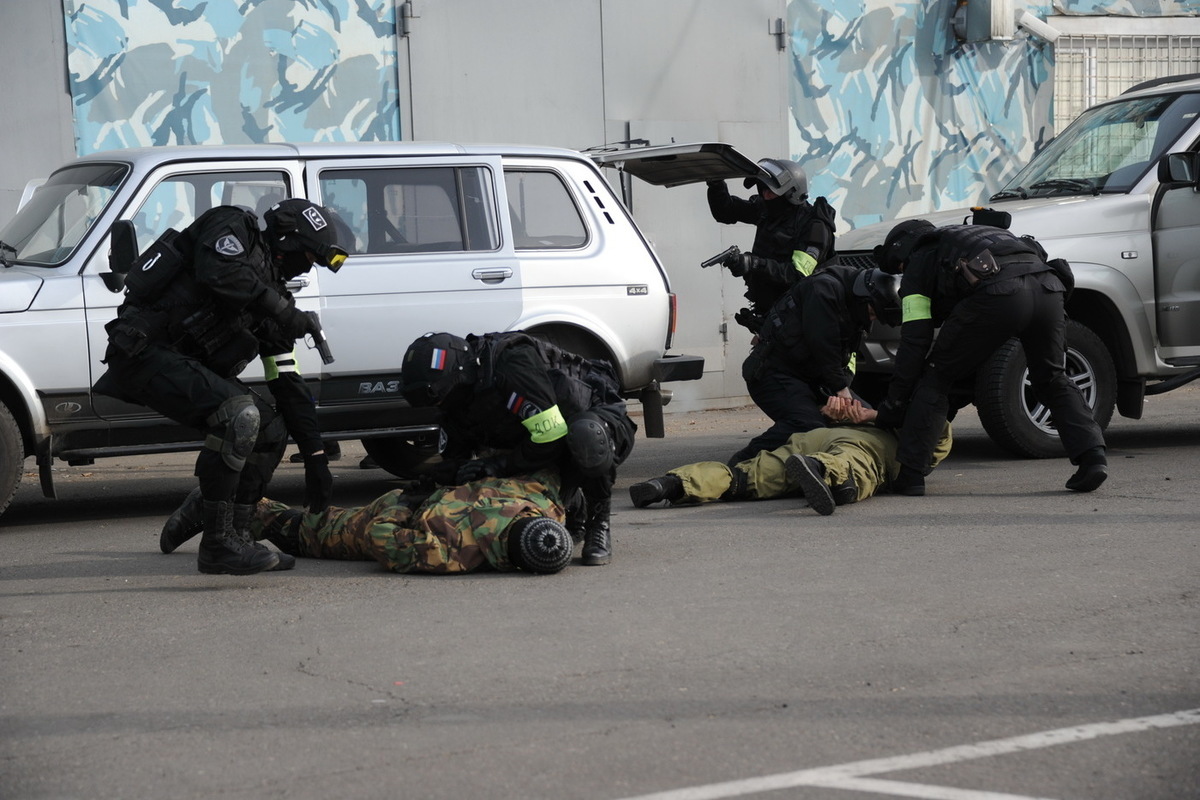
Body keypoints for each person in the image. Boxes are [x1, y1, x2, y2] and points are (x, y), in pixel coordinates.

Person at [93, 199, 348, 575]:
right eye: (308, 256)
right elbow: (220, 274)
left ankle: (236, 534)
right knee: (238, 414)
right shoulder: (232, 226)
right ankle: (217, 546)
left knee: (269, 430)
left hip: (184, 365)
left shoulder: (272, 291)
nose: (307, 266)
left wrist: (316, 458)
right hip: (143, 353)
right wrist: (281, 310)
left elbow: (286, 379)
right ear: (289, 243)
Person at [873, 220, 1107, 496]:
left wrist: (895, 402)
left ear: (903, 250)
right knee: (1051, 376)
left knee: (936, 377)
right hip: (1049, 289)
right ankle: (1092, 459)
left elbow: (915, 340)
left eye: (899, 266)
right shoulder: (981, 236)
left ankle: (911, 475)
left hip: (998, 295)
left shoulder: (921, 258)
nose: (902, 271)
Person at [400, 331, 637, 566]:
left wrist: (497, 465)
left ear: (459, 376)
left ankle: (599, 523)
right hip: (543, 437)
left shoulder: (511, 362)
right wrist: (437, 481)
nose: (439, 405)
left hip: (600, 424)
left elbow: (550, 435)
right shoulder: (457, 398)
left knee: (586, 435)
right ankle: (572, 506)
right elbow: (454, 458)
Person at [630, 398, 951, 515]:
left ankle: (671, 484)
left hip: (811, 438)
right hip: (855, 448)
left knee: (743, 478)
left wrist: (842, 413)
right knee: (851, 468)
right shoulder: (905, 444)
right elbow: (934, 427)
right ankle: (822, 472)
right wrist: (872, 417)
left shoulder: (868, 413)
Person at [727, 265, 901, 465]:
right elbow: (822, 343)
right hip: (774, 374)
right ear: (864, 297)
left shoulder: (855, 303)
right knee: (806, 425)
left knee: (863, 418)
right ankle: (742, 464)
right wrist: (840, 391)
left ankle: (828, 465)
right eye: (872, 313)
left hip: (814, 379)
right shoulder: (823, 289)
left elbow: (844, 359)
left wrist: (838, 406)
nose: (872, 318)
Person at [243, 470, 573, 575]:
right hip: (412, 499)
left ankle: (232, 507)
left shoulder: (457, 553)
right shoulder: (541, 503)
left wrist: (403, 505)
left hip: (355, 529)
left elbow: (381, 538)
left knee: (303, 528)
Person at [706, 158, 837, 334]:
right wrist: (715, 183)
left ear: (792, 193)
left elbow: (798, 274)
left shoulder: (814, 226)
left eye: (772, 192)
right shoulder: (766, 210)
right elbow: (726, 211)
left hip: (807, 318)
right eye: (763, 190)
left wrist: (753, 264)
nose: (765, 196)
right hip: (775, 313)